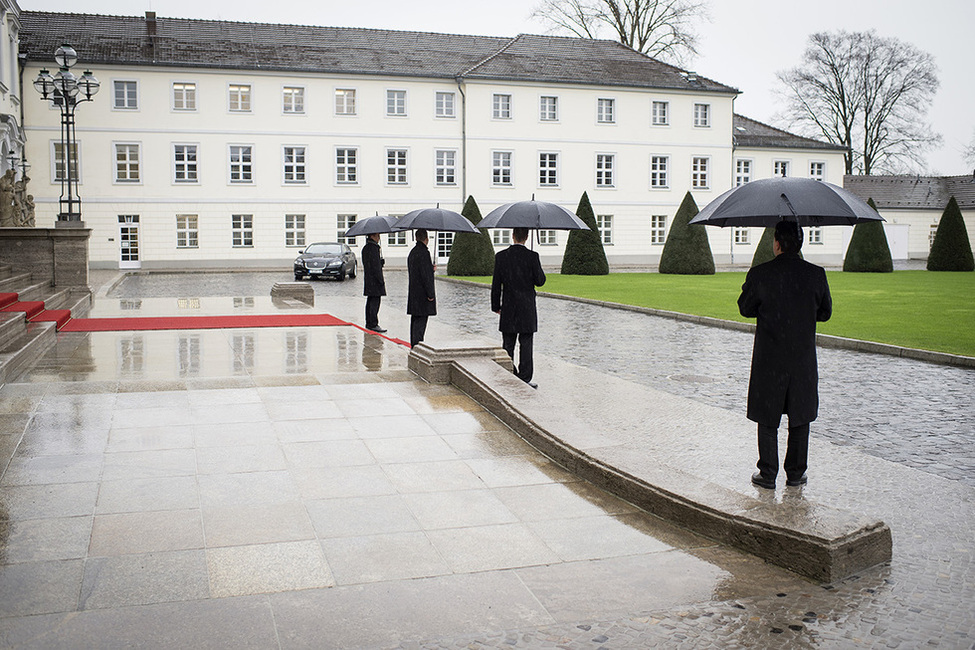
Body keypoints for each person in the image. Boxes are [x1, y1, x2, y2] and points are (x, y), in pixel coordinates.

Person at [738, 220, 832, 489]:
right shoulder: (816, 274)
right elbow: (825, 313)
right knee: (800, 416)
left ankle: (767, 473)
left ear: (777, 243)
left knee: (768, 417)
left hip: (770, 358)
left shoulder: (761, 273)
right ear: (800, 243)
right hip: (801, 359)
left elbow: (745, 308)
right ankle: (795, 473)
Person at [491, 227, 546, 388]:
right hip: (527, 307)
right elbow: (540, 281)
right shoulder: (532, 256)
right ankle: (525, 378)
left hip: (509, 307)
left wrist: (496, 305)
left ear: (513, 236)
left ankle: (508, 373)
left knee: (508, 343)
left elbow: (496, 285)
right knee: (526, 343)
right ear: (527, 237)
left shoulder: (501, 257)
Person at [406, 228, 436, 347]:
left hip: (414, 292)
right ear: (426, 239)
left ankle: (414, 343)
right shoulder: (424, 253)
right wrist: (430, 294)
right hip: (422, 295)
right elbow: (425, 276)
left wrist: (430, 268)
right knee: (420, 322)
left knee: (415, 320)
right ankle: (417, 345)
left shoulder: (413, 252)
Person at [361, 232, 387, 333]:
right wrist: (381, 280)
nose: (379, 238)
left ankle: (369, 322)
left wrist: (379, 262)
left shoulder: (366, 248)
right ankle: (373, 323)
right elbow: (376, 267)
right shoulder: (374, 248)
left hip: (369, 279)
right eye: (377, 236)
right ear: (372, 236)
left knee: (370, 301)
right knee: (375, 302)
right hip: (375, 280)